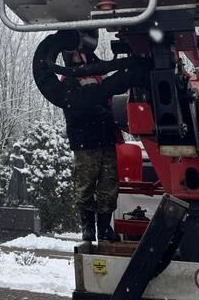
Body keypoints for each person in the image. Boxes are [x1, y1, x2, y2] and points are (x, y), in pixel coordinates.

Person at [31, 30, 136, 242]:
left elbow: (111, 97)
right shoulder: (67, 81)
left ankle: (104, 228)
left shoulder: (98, 75)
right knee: (86, 185)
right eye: (76, 53)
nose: (81, 55)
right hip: (85, 142)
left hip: (107, 138)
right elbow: (80, 105)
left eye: (82, 52)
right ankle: (88, 228)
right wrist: (105, 112)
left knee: (108, 185)